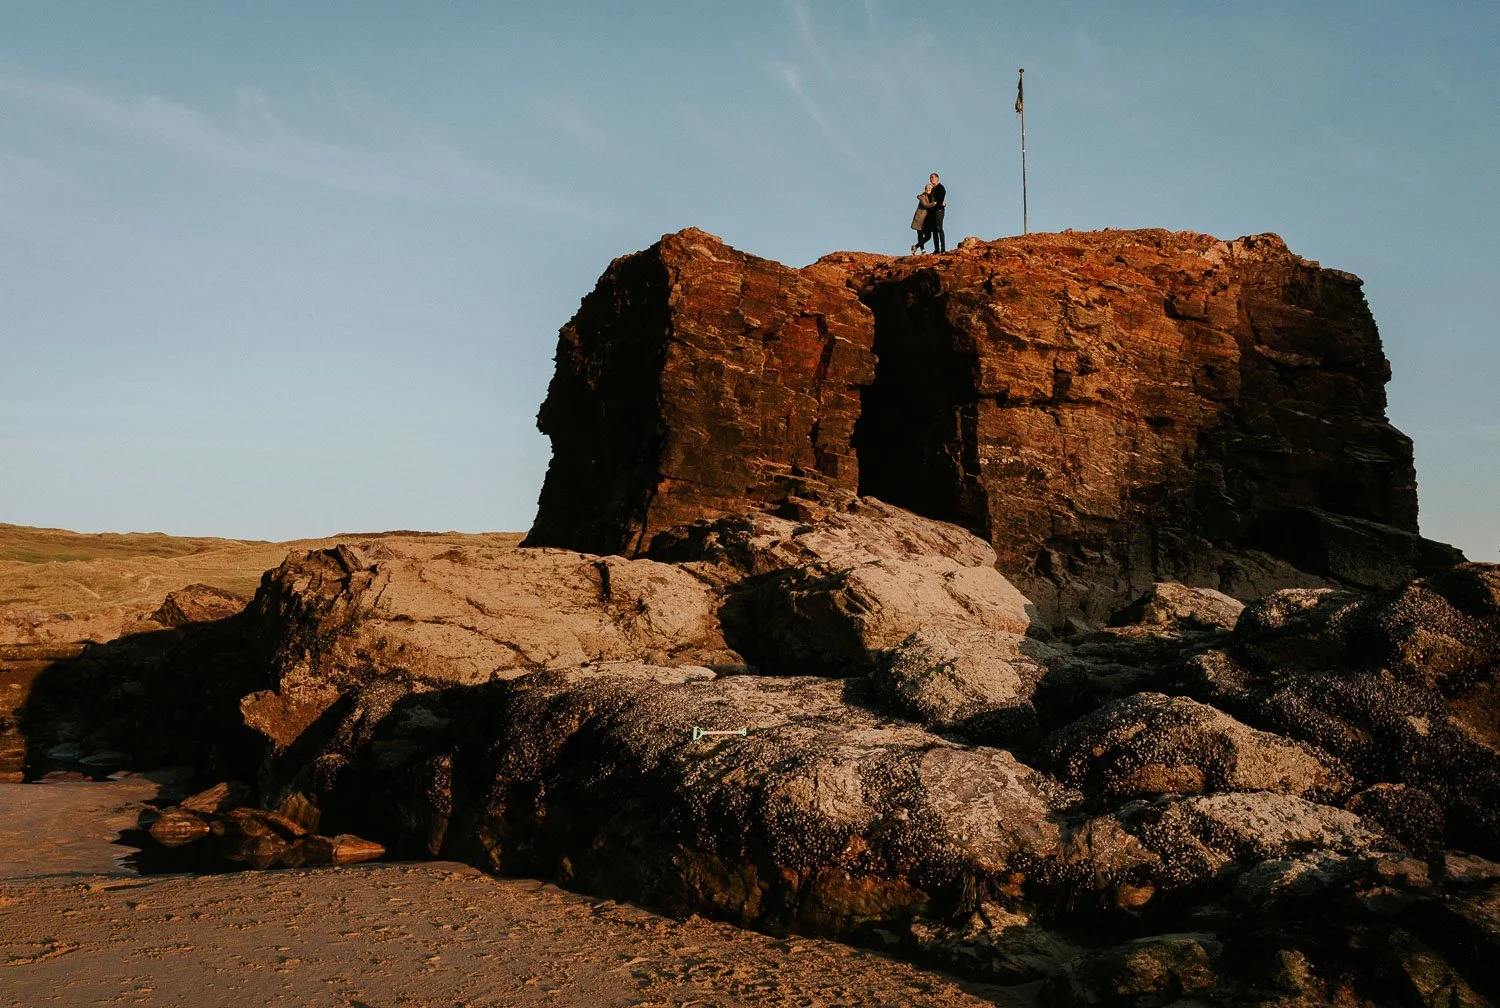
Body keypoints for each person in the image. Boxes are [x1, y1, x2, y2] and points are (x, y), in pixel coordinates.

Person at [910, 182, 936, 254]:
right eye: (927, 188)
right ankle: (923, 250)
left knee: (928, 236)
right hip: (920, 218)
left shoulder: (931, 197)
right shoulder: (923, 196)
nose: (928, 189)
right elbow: (925, 205)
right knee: (920, 234)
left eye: (930, 188)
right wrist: (934, 203)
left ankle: (915, 246)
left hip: (926, 219)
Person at [927, 173, 947, 253]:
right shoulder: (932, 189)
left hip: (939, 211)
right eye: (930, 178)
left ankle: (943, 249)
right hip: (932, 212)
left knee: (939, 228)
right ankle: (936, 249)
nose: (931, 179)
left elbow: (940, 199)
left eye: (932, 177)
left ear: (937, 178)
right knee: (934, 230)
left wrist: (938, 204)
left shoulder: (941, 188)